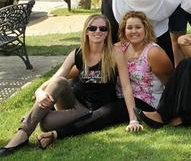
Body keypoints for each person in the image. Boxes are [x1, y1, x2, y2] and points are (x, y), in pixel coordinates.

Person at [0, 15, 142, 156]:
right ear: (86, 31)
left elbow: (126, 87)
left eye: (102, 28)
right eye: (92, 28)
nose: (97, 31)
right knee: (59, 82)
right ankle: (22, 135)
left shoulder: (115, 53)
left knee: (46, 124)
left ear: (107, 32)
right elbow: (56, 77)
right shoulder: (78, 53)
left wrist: (133, 119)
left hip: (88, 109)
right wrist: (38, 91)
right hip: (72, 98)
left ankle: (33, 118)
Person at [115, 11, 173, 112]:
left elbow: (170, 83)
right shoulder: (119, 48)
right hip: (121, 99)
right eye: (129, 28)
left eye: (138, 27)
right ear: (124, 31)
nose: (134, 31)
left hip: (147, 103)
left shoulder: (153, 52)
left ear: (146, 29)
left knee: (110, 111)